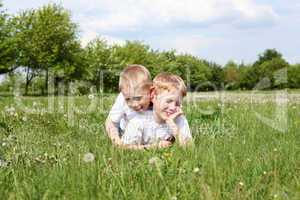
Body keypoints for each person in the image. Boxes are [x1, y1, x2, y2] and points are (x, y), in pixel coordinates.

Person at [121, 72, 193, 150]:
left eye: (178, 103)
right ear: (153, 97)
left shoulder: (179, 119)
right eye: (169, 101)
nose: (173, 108)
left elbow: (190, 149)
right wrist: (154, 147)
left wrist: (174, 128)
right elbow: (125, 148)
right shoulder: (139, 120)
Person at [105, 64, 152, 145]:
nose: (133, 104)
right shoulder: (122, 98)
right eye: (128, 99)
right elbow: (110, 122)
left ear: (151, 91)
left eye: (138, 98)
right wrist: (115, 139)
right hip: (127, 129)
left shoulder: (157, 98)